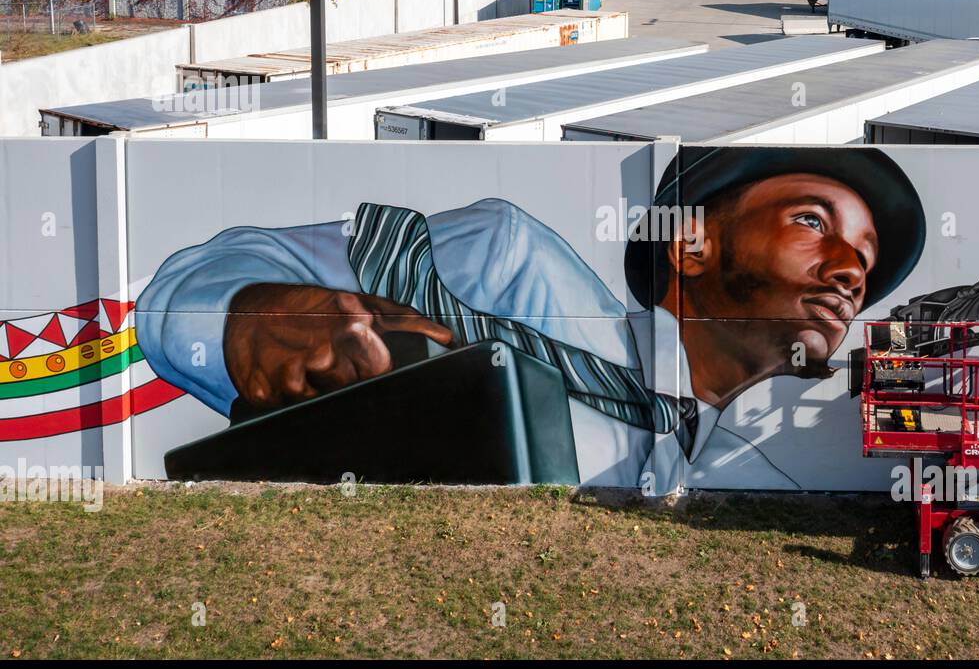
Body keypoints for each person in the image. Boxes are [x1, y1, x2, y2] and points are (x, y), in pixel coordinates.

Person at [136, 147, 926, 493]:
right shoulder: (513, 263)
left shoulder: (733, 465)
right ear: (690, 243)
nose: (853, 270)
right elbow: (182, 290)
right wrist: (252, 316)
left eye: (865, 254)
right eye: (815, 224)